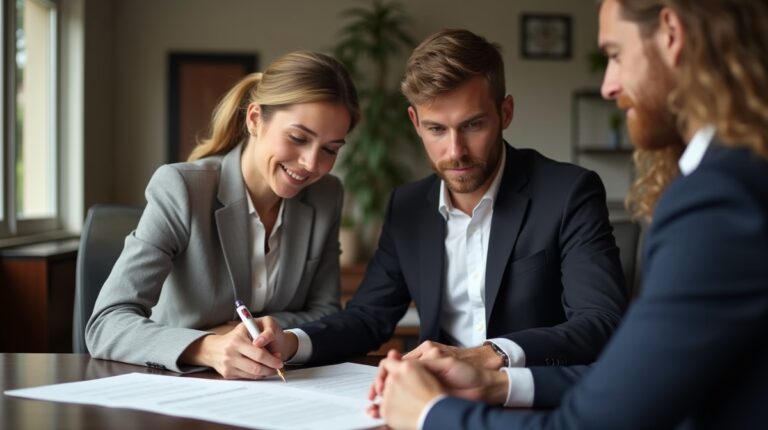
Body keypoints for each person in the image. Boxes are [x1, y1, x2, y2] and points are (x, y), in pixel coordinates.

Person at [370, 0, 768, 428]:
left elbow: (593, 415)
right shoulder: (735, 177)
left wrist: (430, 413)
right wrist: (494, 385)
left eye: (615, 54)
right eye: (436, 129)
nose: (608, 86)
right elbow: (634, 384)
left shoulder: (719, 198)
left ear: (671, 33)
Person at [256, 29, 627, 372]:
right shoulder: (408, 206)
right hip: (436, 400)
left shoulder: (568, 192)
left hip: (532, 399)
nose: (455, 151)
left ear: (505, 113)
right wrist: (290, 343)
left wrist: (490, 355)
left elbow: (600, 321)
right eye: (436, 129)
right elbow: (368, 317)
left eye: (473, 125)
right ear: (415, 122)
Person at [86, 51, 360, 378]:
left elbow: (326, 313)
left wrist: (262, 331)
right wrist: (209, 345)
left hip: (275, 385)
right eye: (298, 138)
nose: (312, 164)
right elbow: (107, 322)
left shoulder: (326, 195)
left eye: (330, 149)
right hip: (178, 386)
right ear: (255, 119)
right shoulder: (181, 188)